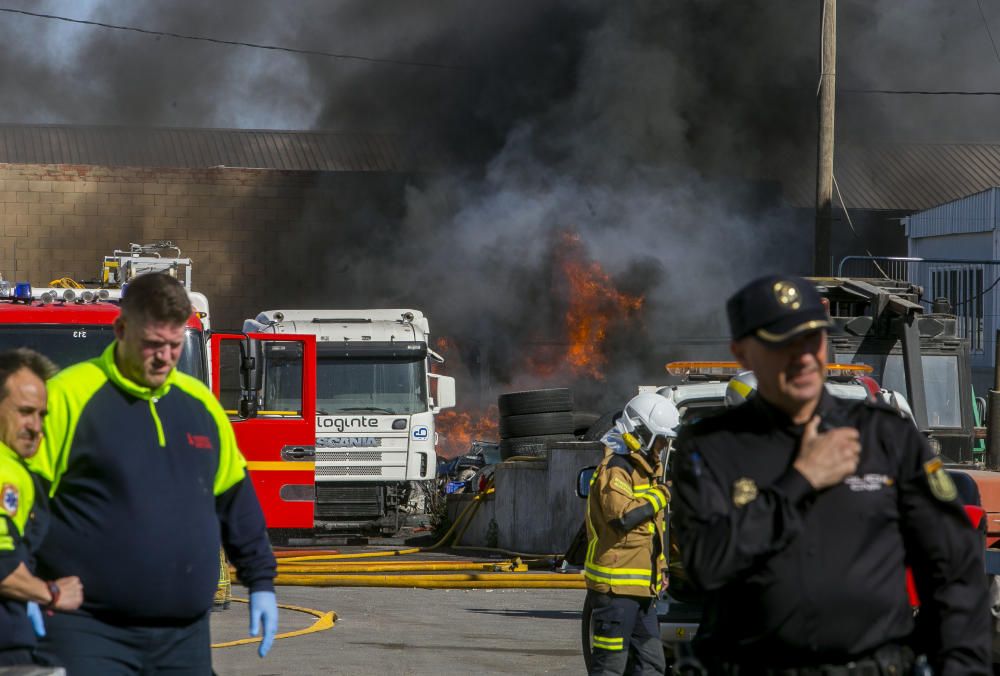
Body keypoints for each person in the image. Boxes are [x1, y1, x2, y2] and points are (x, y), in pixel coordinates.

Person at [672, 274, 991, 674]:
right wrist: (800, 480)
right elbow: (708, 563)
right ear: (743, 353)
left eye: (813, 339)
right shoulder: (709, 448)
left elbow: (954, 567)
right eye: (782, 343)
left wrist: (961, 666)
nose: (802, 356)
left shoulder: (885, 436)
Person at [27, 273, 279, 675]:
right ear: (121, 330)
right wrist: (20, 586)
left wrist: (261, 581)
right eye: (152, 345)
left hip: (184, 638)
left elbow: (235, 498)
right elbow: (20, 499)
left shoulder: (200, 404)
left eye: (175, 346)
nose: (164, 357)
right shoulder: (66, 398)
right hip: (88, 633)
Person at [0, 348, 83, 668]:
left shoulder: (17, 465)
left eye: (42, 414)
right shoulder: (7, 474)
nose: (36, 427)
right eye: (24, 412)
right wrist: (51, 593)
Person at [585, 392, 678, 676]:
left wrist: (660, 568)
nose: (663, 446)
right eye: (660, 438)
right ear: (640, 431)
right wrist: (663, 493)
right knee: (610, 667)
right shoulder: (616, 470)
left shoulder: (646, 472)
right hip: (615, 591)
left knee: (651, 665)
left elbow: (652, 531)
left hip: (641, 589)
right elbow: (623, 517)